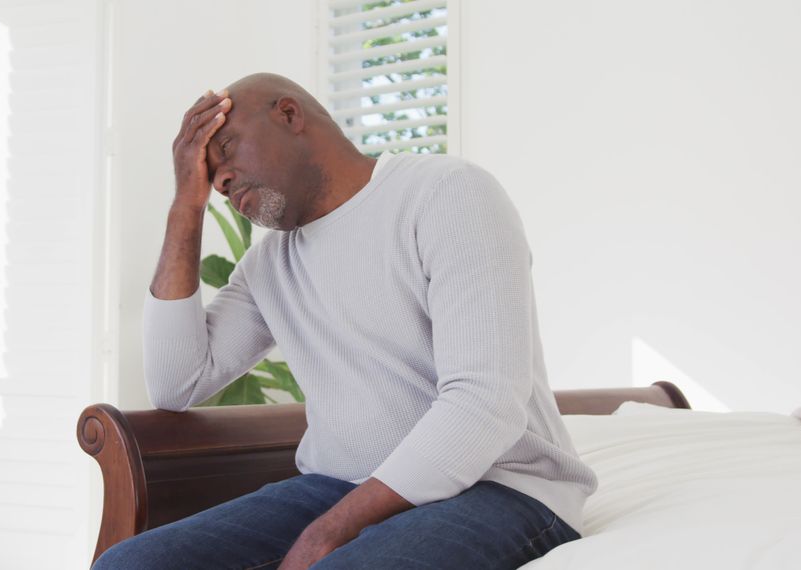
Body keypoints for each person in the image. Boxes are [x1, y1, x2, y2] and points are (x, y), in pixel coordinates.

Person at [92, 72, 598, 569]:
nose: (219, 179)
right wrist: (187, 204)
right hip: (337, 486)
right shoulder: (270, 265)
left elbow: (483, 402)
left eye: (224, 149)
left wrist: (332, 530)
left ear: (289, 115)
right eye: (206, 176)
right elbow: (175, 382)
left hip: (502, 487)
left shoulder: (447, 193)